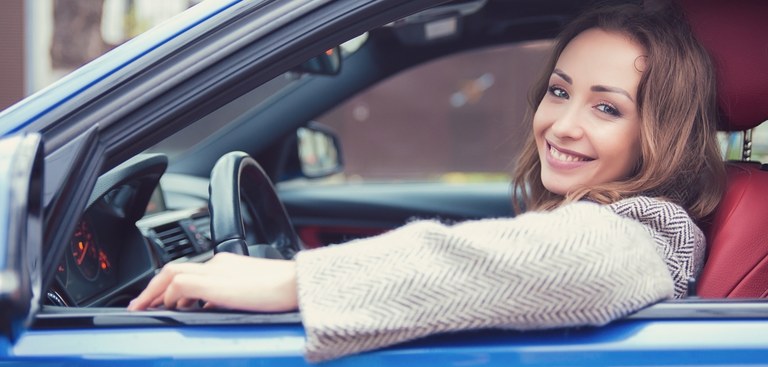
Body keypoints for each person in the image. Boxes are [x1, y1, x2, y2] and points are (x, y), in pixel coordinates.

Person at [128, 2, 726, 362]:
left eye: (607, 108)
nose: (561, 125)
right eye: (560, 91)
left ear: (660, 134)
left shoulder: (653, 233)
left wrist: (295, 281)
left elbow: (570, 261)